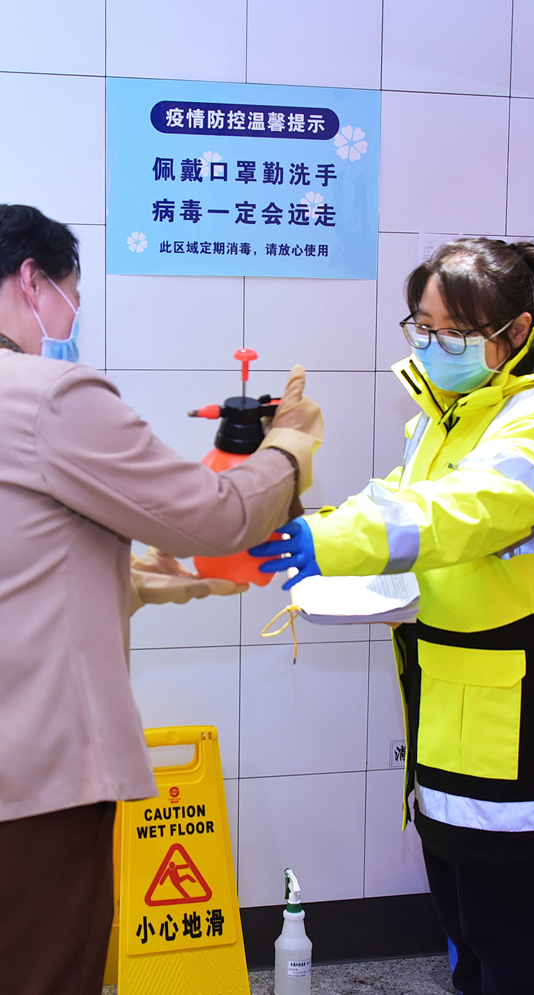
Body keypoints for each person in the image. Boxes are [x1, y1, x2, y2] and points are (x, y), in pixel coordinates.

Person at [251, 238, 534, 995]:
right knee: (458, 905)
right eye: (423, 326)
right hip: (450, 696)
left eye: (454, 332)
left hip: (518, 710)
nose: (432, 345)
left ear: (516, 329)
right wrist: (319, 527)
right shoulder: (453, 410)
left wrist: (330, 542)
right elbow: (401, 498)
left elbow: (461, 511)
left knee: (503, 918)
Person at [0, 203, 322, 995]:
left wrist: (128, 581)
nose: (67, 324)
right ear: (33, 280)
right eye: (71, 299)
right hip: (34, 780)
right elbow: (214, 515)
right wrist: (290, 449)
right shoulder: (46, 396)